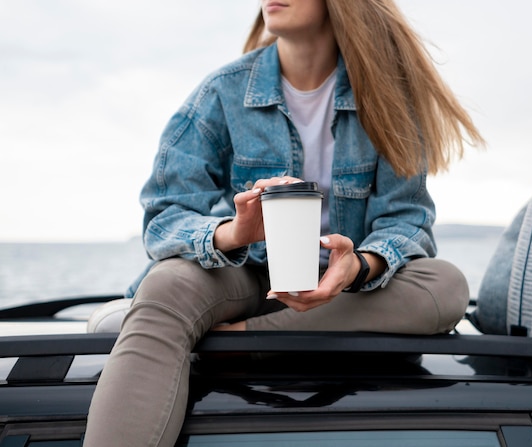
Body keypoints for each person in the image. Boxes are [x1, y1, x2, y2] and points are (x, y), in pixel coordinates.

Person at [83, 0, 484, 445]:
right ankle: (208, 329)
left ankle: (238, 340)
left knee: (446, 285)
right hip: (248, 276)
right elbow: (165, 213)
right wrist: (233, 233)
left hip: (343, 292)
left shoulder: (387, 95)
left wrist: (359, 265)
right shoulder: (224, 92)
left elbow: (406, 219)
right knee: (166, 285)